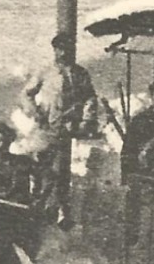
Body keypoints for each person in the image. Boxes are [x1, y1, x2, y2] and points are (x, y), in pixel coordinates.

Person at [22, 32, 100, 225]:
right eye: (59, 48)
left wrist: (85, 120)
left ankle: (59, 210)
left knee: (60, 171)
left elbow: (90, 97)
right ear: (54, 50)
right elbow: (26, 94)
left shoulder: (80, 74)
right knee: (38, 166)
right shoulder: (46, 72)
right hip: (45, 128)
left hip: (65, 130)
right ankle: (34, 203)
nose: (63, 52)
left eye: (67, 48)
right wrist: (35, 111)